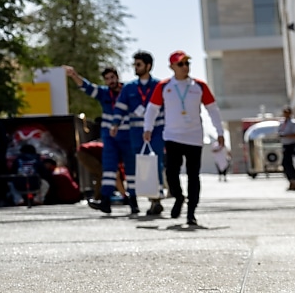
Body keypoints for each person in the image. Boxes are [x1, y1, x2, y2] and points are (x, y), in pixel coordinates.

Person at [143, 50, 225, 226]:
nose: (185, 67)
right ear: (172, 67)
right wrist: (147, 128)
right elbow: (152, 108)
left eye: (187, 63)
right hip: (172, 136)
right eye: (180, 64)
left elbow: (212, 109)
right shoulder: (165, 86)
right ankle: (179, 197)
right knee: (171, 173)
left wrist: (219, 132)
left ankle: (191, 213)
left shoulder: (199, 86)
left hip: (194, 137)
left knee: (193, 175)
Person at [64, 65, 136, 215]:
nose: (110, 81)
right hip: (110, 138)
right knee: (109, 169)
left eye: (112, 77)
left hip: (127, 136)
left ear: (117, 77)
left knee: (131, 170)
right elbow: (88, 87)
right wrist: (74, 75)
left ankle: (133, 201)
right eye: (107, 79)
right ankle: (105, 201)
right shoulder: (104, 93)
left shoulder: (128, 91)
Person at [116, 50, 166, 216]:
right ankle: (145, 198)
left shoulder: (159, 86)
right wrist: (115, 124)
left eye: (138, 64)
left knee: (156, 164)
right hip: (136, 133)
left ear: (148, 66)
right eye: (134, 64)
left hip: (156, 132)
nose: (135, 68)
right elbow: (121, 108)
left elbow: (167, 109)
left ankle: (156, 199)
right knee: (142, 167)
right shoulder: (129, 88)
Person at [279, 107, 295, 191]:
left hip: (290, 145)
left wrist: (286, 136)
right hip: (284, 145)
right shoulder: (282, 122)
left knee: (288, 162)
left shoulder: (293, 123)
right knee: (285, 164)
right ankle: (291, 180)